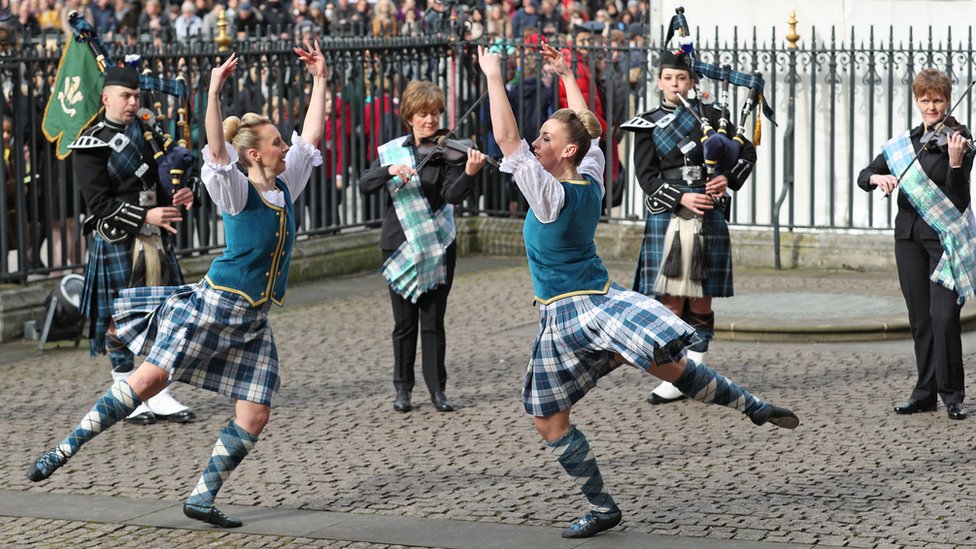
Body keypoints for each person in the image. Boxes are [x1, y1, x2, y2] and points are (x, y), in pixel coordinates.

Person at [477, 42, 798, 539]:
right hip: (603, 301)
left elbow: (506, 138)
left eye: (544, 138)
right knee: (664, 364)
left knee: (547, 418)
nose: (534, 144)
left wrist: (493, 75)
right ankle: (749, 404)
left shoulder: (549, 193)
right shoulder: (591, 174)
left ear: (564, 152)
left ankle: (603, 508)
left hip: (572, 316)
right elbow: (589, 126)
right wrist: (566, 75)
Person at [26, 40, 328, 528]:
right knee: (147, 381)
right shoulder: (234, 188)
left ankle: (201, 497)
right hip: (214, 308)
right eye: (277, 143)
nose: (286, 147)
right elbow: (215, 148)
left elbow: (312, 136)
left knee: (256, 412)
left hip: (252, 320)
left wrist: (320, 80)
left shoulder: (285, 184)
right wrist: (212, 92)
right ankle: (63, 450)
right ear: (254, 152)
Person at [68, 64, 196, 425]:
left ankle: (158, 391)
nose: (132, 102)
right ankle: (127, 393)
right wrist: (144, 217)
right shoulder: (91, 143)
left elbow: (175, 174)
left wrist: (186, 193)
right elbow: (98, 205)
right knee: (118, 321)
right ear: (106, 97)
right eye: (126, 96)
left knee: (165, 315)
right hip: (118, 238)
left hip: (155, 238)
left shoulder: (150, 132)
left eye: (136, 96)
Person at [628, 50, 757, 405]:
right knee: (669, 301)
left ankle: (697, 370)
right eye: (668, 79)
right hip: (669, 215)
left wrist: (725, 179)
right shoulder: (646, 123)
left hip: (709, 213)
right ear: (658, 82)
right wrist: (681, 199)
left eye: (681, 79)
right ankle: (677, 373)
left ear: (693, 82)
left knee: (700, 297)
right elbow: (646, 176)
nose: (674, 85)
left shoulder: (715, 118)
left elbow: (746, 155)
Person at [358, 80, 487, 413]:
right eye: (422, 114)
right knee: (404, 324)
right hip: (398, 244)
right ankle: (402, 389)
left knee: (433, 322)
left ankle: (437, 390)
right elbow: (365, 184)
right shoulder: (391, 151)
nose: (430, 121)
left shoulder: (445, 153)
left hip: (437, 244)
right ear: (409, 117)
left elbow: (451, 196)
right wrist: (389, 170)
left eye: (434, 113)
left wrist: (470, 174)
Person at [857, 68, 974, 420]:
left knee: (944, 318)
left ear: (947, 100)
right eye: (925, 100)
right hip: (907, 235)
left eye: (938, 100)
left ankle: (952, 395)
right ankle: (924, 393)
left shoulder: (959, 142)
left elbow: (959, 201)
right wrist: (879, 177)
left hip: (943, 238)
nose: (932, 106)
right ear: (917, 101)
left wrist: (955, 164)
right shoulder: (903, 143)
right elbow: (864, 175)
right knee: (920, 319)